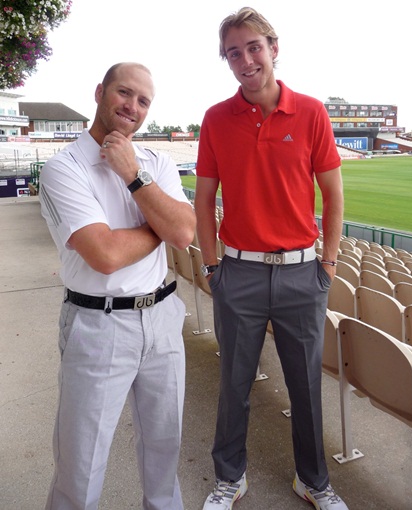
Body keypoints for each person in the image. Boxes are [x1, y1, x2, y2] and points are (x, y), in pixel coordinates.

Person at [194, 7, 347, 510]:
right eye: (234, 52)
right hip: (237, 272)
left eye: (253, 47)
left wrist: (327, 262)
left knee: (305, 389)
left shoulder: (311, 112)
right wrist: (214, 266)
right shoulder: (216, 118)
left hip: (304, 274)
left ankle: (314, 481)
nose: (245, 59)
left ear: (273, 48)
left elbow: (332, 191)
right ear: (227, 61)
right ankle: (229, 479)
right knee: (234, 385)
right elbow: (204, 197)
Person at [40, 62, 196, 510]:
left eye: (143, 100)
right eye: (124, 93)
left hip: (162, 319)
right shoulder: (63, 167)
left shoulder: (155, 163)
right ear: (99, 92)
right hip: (97, 322)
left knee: (165, 452)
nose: (132, 106)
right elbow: (104, 255)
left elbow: (186, 234)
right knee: (81, 464)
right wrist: (161, 226)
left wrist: (133, 176)